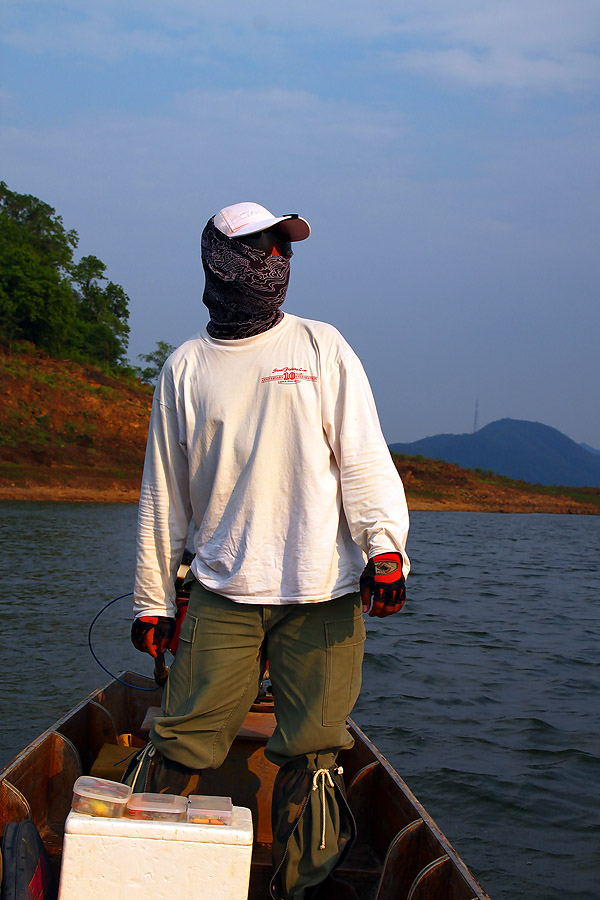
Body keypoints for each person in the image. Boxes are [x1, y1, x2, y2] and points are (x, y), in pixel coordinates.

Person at [130, 202, 410, 900]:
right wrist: (153, 602)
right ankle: (136, 866)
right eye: (264, 250)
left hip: (324, 593)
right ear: (221, 260)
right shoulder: (186, 368)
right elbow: (163, 496)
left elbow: (365, 459)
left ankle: (298, 887)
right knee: (184, 738)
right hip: (224, 591)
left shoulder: (321, 346)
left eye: (285, 253)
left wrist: (386, 551)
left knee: (314, 754)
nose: (277, 265)